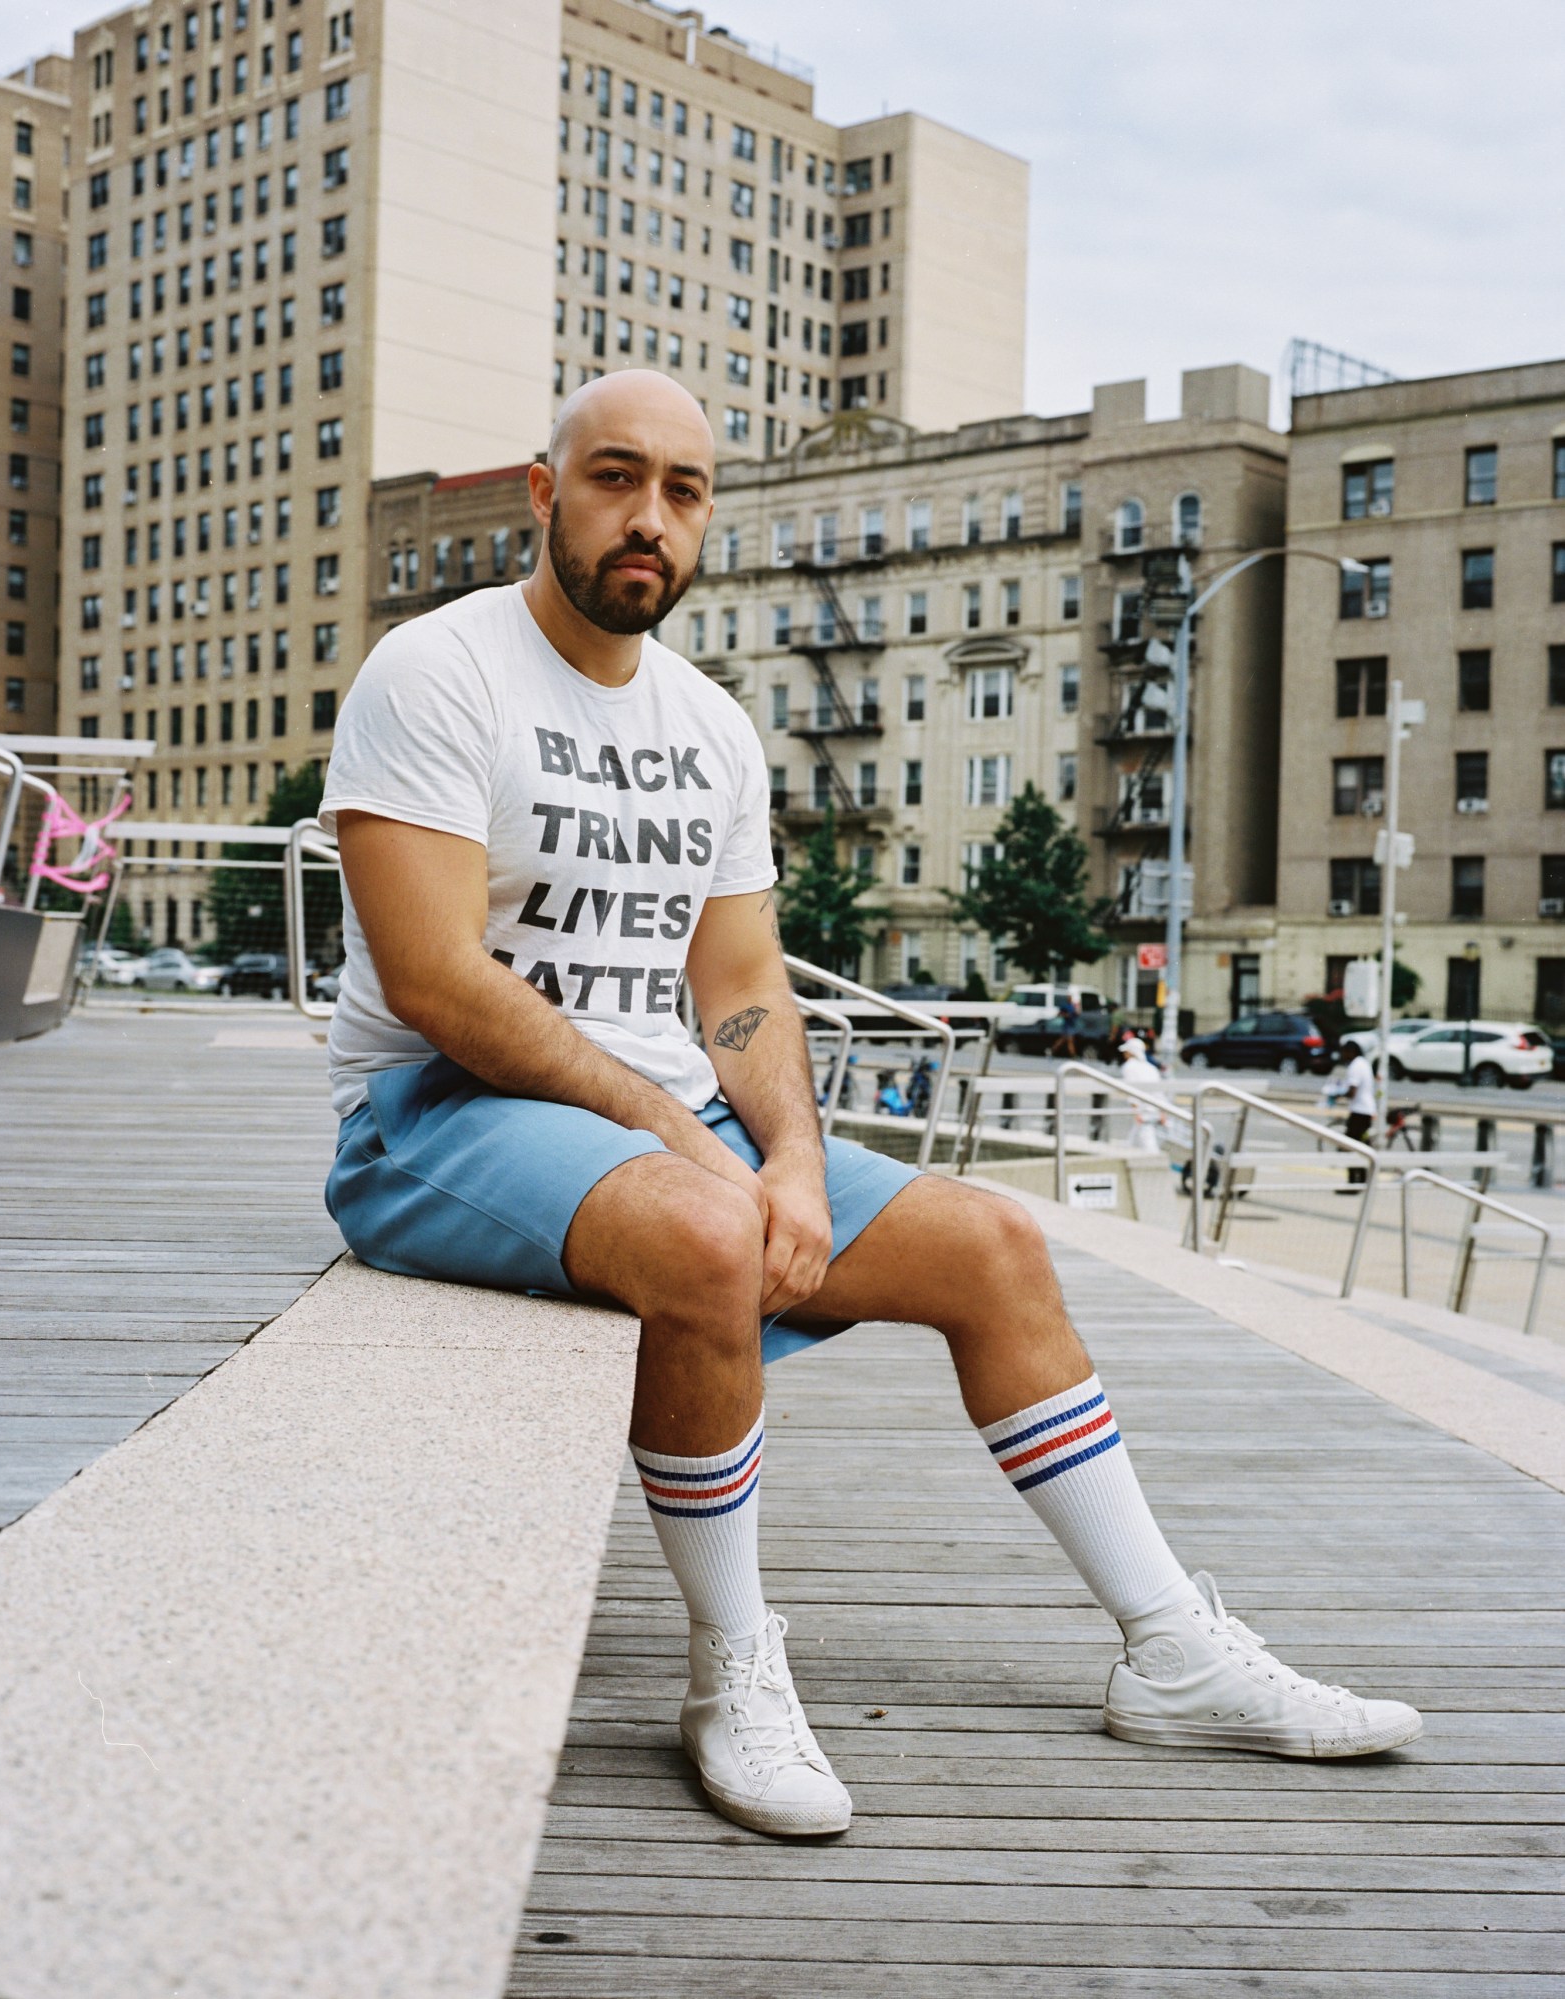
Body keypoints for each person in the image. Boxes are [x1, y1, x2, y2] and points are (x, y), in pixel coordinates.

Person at [318, 372, 1422, 1841]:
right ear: (544, 490)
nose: (650, 517)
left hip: (656, 1127)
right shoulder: (436, 670)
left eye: (686, 490)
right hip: (433, 1114)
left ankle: (1173, 1647)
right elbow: (437, 978)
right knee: (711, 1231)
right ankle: (734, 1672)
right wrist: (682, 1139)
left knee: (996, 1247)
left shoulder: (709, 725)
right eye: (616, 478)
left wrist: (784, 1149)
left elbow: (744, 980)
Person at [1327, 1036, 1378, 1186]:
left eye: (1344, 1052)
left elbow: (1352, 1092)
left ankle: (1354, 1182)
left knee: (1349, 1147)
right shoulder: (1364, 1063)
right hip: (1366, 1110)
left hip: (1359, 1111)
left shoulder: (1355, 1066)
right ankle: (1362, 1180)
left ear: (1351, 1052)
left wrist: (1337, 1095)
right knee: (1362, 1146)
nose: (1343, 1056)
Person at [1117, 1032, 1170, 1154]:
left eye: (1126, 1051)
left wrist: (1136, 1112)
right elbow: (1159, 1092)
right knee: (1141, 1138)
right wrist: (1162, 1112)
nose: (1124, 1054)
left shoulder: (1129, 1067)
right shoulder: (1151, 1068)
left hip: (1142, 1110)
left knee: (1147, 1142)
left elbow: (1132, 1093)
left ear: (1131, 1052)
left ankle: (1152, 1163)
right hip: (1154, 1109)